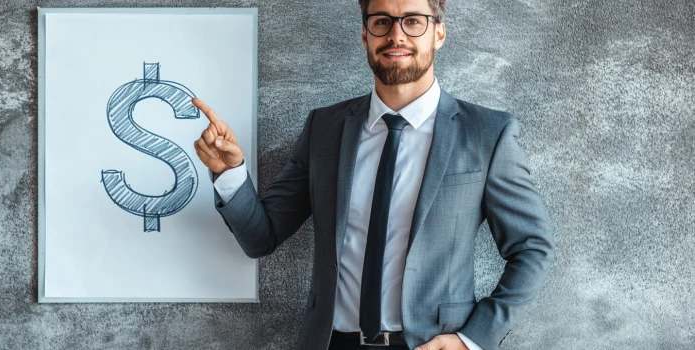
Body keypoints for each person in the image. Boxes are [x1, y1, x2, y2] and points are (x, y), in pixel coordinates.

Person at [191, 0, 555, 349]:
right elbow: (261, 238)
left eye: (413, 21)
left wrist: (474, 337)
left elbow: (532, 248)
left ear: (439, 33)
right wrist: (229, 173)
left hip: (431, 345)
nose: (396, 35)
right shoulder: (325, 129)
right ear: (366, 35)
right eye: (381, 21)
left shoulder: (487, 134)